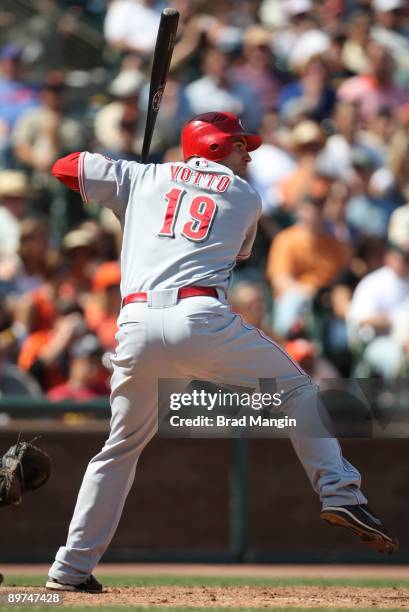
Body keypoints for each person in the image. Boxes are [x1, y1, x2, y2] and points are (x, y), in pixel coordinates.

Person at [45, 111, 397, 593]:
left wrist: (126, 183)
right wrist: (139, 192)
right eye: (237, 145)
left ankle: (69, 569)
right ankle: (340, 492)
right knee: (295, 390)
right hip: (201, 319)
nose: (246, 154)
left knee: (120, 449)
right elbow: (231, 252)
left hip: (137, 326)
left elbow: (63, 167)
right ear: (212, 147)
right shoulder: (245, 197)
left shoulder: (143, 176)